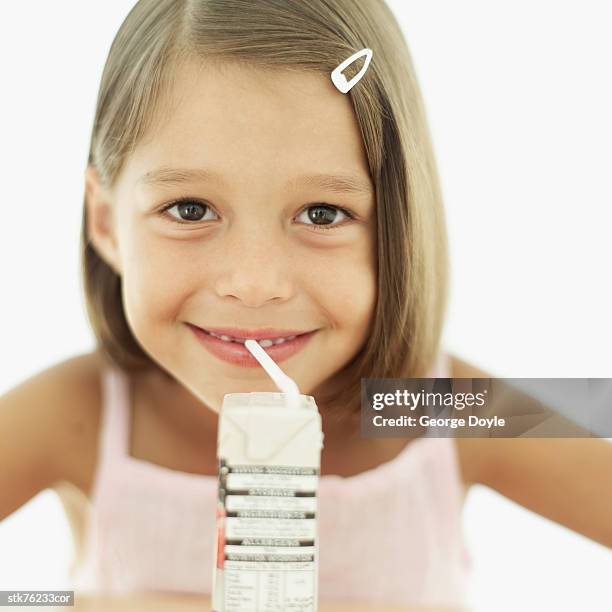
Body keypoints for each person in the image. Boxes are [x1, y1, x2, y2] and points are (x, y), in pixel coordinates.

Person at [1, 0, 610, 607]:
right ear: (106, 223)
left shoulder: (441, 409)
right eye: (190, 210)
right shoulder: (81, 413)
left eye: (322, 213)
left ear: (399, 226)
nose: (255, 282)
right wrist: (81, 604)